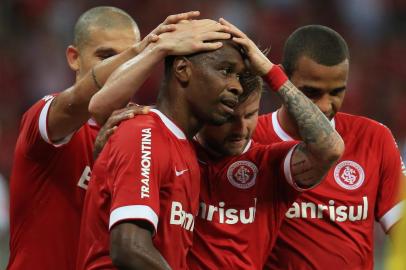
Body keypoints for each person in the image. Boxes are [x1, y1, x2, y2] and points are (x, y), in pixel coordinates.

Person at [7, 7, 203, 270]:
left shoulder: (144, 132)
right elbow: (78, 101)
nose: (121, 66)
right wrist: (143, 51)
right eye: (107, 56)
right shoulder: (43, 119)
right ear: (74, 58)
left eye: (130, 57)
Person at [76, 20, 242, 269]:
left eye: (239, 76)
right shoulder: (144, 133)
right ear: (183, 69)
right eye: (225, 70)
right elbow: (129, 248)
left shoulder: (185, 148)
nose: (237, 86)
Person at [187, 18, 344, 269]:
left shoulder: (268, 164)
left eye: (250, 115)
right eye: (229, 117)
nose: (241, 129)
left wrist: (271, 72)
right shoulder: (168, 145)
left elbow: (330, 149)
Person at [254, 25, 405, 270]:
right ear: (283, 80)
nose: (325, 106)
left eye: (336, 92)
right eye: (311, 93)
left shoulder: (374, 138)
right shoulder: (251, 139)